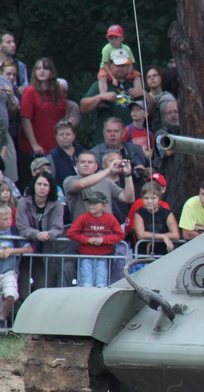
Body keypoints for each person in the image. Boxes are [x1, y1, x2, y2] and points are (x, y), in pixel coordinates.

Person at [80, 49, 154, 144]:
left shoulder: (136, 84)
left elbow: (152, 110)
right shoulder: (102, 84)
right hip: (107, 142)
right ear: (110, 65)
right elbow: (83, 107)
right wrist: (100, 97)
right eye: (117, 65)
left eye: (123, 65)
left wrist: (144, 93)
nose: (121, 68)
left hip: (134, 141)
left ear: (128, 66)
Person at [19, 57, 66, 187]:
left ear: (51, 72)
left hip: (54, 145)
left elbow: (62, 118)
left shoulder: (57, 92)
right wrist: (34, 145)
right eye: (38, 68)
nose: (42, 71)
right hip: (34, 147)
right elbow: (25, 118)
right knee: (34, 184)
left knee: (53, 183)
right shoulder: (30, 91)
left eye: (45, 68)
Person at [16, 172, 63, 291]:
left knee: (43, 287)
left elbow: (58, 227)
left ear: (50, 187)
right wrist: (37, 234)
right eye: (39, 184)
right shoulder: (23, 202)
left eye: (45, 185)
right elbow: (22, 226)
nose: (42, 187)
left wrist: (48, 234)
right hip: (26, 251)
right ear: (34, 185)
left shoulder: (57, 204)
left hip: (46, 250)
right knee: (23, 288)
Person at [67, 191, 124, 288]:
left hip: (103, 256)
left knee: (101, 284)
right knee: (86, 284)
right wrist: (86, 239)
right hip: (85, 256)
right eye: (90, 203)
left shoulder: (110, 218)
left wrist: (103, 240)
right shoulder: (83, 218)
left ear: (103, 205)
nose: (91, 205)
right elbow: (71, 233)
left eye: (95, 203)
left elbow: (120, 235)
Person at [64, 151, 134, 222]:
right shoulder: (70, 180)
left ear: (96, 166)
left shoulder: (107, 181)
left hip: (106, 229)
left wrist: (128, 175)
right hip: (83, 230)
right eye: (82, 162)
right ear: (77, 165)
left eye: (90, 162)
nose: (86, 165)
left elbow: (128, 198)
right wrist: (108, 170)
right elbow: (81, 185)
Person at [0, 204, 32, 323]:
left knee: (11, 295)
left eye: (10, 218)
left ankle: (1, 318)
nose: (9, 221)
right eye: (5, 219)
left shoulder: (15, 232)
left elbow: (29, 249)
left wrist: (12, 251)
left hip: (9, 271)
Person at [133, 181, 179, 256]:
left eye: (153, 198)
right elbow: (140, 234)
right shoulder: (139, 213)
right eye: (146, 198)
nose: (149, 201)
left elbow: (175, 235)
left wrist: (153, 237)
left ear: (160, 200)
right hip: (144, 255)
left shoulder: (167, 213)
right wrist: (163, 237)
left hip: (164, 254)